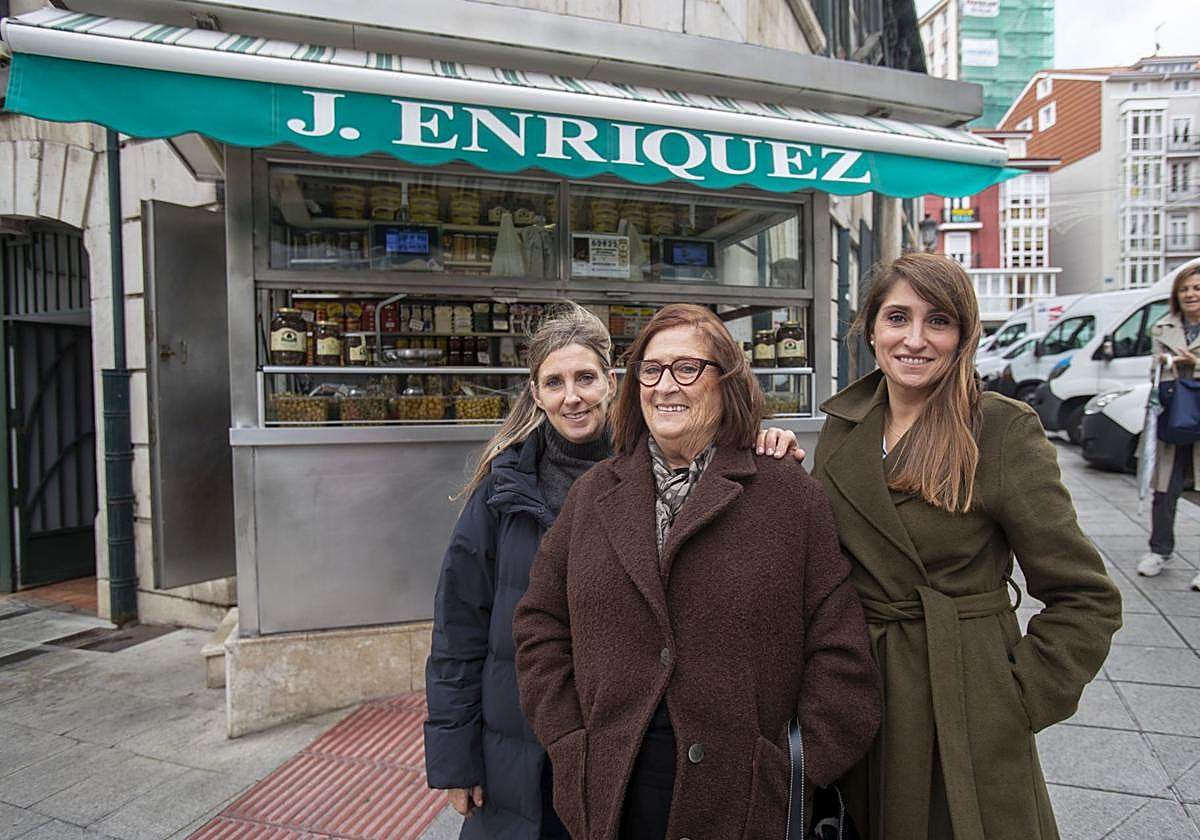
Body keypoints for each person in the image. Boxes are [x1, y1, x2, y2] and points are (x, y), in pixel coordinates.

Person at [423, 302, 806, 839]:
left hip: (630, 751)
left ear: (612, 382)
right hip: (521, 747)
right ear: (536, 393)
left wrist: (760, 439)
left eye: (585, 377)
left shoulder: (656, 473)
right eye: (553, 382)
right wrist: (454, 756)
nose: (571, 396)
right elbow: (459, 630)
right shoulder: (502, 492)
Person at [513, 303, 880, 840]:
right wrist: (571, 742)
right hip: (615, 794)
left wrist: (791, 768)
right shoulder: (595, 494)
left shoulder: (786, 494)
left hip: (745, 799)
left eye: (687, 368)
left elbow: (841, 653)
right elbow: (539, 625)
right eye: (652, 369)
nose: (666, 386)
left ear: (725, 382)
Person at [812, 252, 1122, 840]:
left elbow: (1085, 597)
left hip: (962, 698)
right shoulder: (842, 424)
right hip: (858, 694)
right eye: (898, 318)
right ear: (872, 326)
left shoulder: (1001, 428)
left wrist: (1014, 698)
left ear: (963, 335)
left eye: (938, 321)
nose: (915, 339)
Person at [1138, 262, 1200, 591]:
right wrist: (1164, 365)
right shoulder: (1163, 327)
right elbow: (1153, 377)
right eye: (1185, 289)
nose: (1191, 295)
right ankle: (1159, 550)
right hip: (1173, 415)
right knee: (1164, 488)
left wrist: (1196, 363)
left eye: (1197, 289)